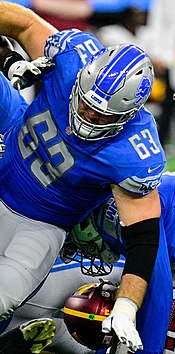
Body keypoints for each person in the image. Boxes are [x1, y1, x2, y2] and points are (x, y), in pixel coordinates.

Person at [0, 2, 167, 353]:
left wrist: (125, 306)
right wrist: (11, 61)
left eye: (100, 114)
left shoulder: (134, 153)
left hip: (39, 224)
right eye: (85, 103)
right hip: (7, 158)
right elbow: (24, 22)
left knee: (2, 296)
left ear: (129, 114)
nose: (87, 115)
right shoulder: (73, 57)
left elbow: (145, 242)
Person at [5, 173, 175, 354]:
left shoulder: (113, 218)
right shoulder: (111, 208)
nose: (84, 252)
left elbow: (157, 287)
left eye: (75, 244)